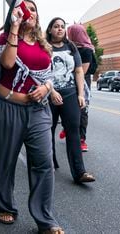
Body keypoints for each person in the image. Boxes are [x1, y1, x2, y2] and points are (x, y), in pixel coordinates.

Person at [0, 0, 64, 234]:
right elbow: (8, 63)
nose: (29, 12)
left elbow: (49, 75)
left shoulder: (44, 45)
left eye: (33, 9)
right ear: (15, 14)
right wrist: (14, 28)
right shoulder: (6, 39)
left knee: (43, 162)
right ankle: (4, 206)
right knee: (5, 160)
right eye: (24, 9)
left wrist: (47, 87)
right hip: (9, 107)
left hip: (39, 110)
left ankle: (45, 220)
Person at [46, 18, 95, 183]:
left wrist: (80, 94)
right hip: (49, 94)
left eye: (62, 27)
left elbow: (79, 71)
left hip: (70, 94)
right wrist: (51, 91)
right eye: (56, 26)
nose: (59, 29)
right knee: (48, 130)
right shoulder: (44, 47)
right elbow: (40, 71)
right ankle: (49, 163)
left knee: (73, 131)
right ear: (50, 29)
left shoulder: (71, 47)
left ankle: (79, 172)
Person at [67, 24, 96, 152]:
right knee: (69, 109)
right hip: (70, 81)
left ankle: (82, 140)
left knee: (82, 109)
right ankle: (67, 128)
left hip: (82, 82)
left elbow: (81, 72)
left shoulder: (86, 50)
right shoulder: (71, 48)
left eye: (70, 33)